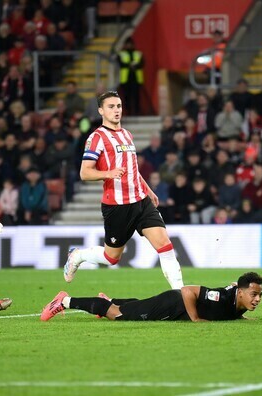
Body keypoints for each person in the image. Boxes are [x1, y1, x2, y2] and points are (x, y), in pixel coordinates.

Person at [64, 91, 184, 289]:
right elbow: (85, 173)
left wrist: (148, 190)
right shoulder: (96, 138)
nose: (116, 110)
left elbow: (132, 170)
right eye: (111, 107)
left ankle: (181, 296)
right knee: (111, 258)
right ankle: (79, 255)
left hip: (141, 201)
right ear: (101, 110)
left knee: (165, 246)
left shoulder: (127, 134)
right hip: (118, 206)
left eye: (118, 106)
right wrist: (108, 173)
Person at [41, 272, 262, 322]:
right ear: (242, 292)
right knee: (117, 315)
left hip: (173, 306)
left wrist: (242, 318)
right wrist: (195, 319)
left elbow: (235, 287)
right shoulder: (222, 298)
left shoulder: (240, 301)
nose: (257, 300)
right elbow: (187, 290)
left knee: (138, 305)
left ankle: (112, 299)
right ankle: (64, 301)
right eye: (254, 295)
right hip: (173, 303)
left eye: (259, 296)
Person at [117, 38, 144, 116]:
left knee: (136, 97)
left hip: (136, 79)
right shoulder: (121, 54)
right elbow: (120, 64)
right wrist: (130, 65)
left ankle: (136, 112)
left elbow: (142, 64)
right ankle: (128, 112)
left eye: (130, 44)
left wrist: (134, 66)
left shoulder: (138, 54)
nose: (129, 46)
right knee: (126, 98)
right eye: (128, 44)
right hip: (125, 80)